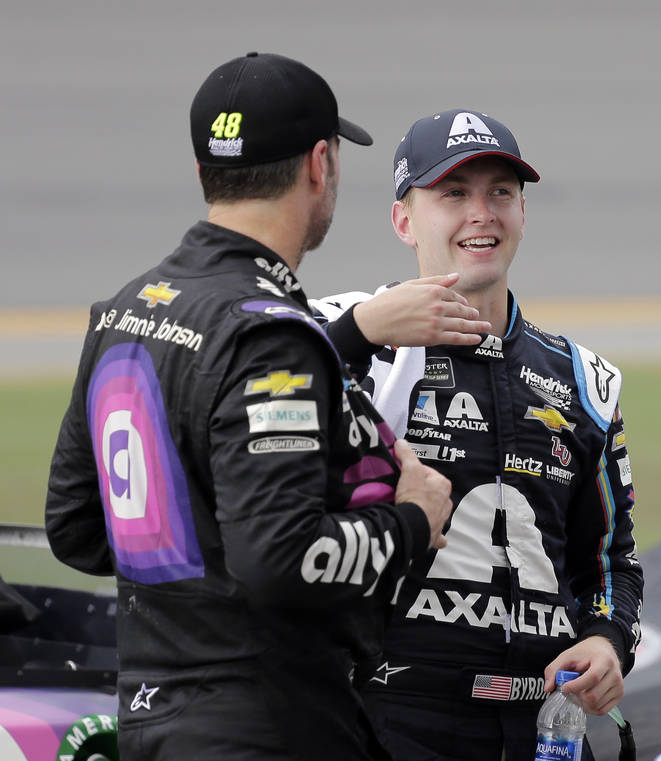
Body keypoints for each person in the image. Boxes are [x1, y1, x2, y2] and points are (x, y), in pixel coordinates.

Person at [44, 52, 460, 761]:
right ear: (319, 165)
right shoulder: (269, 334)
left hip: (149, 714)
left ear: (205, 172)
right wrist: (413, 521)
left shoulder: (126, 309)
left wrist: (201, 557)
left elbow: (76, 527)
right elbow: (281, 558)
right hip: (265, 722)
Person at [311, 109, 644, 760]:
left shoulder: (584, 380)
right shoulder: (343, 338)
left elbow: (609, 560)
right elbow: (246, 410)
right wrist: (356, 334)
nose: (482, 213)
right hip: (389, 720)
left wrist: (607, 639)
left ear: (524, 212)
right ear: (403, 219)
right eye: (453, 194)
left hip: (542, 728)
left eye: (501, 192)